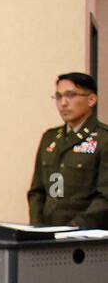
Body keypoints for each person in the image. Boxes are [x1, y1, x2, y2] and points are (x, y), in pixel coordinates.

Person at [28, 72, 106, 229]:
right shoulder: (50, 138)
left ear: (91, 100)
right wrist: (37, 227)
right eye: (58, 96)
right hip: (47, 233)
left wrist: (75, 227)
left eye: (70, 95)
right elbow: (37, 191)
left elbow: (105, 197)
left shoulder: (104, 139)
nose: (63, 103)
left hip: (86, 235)